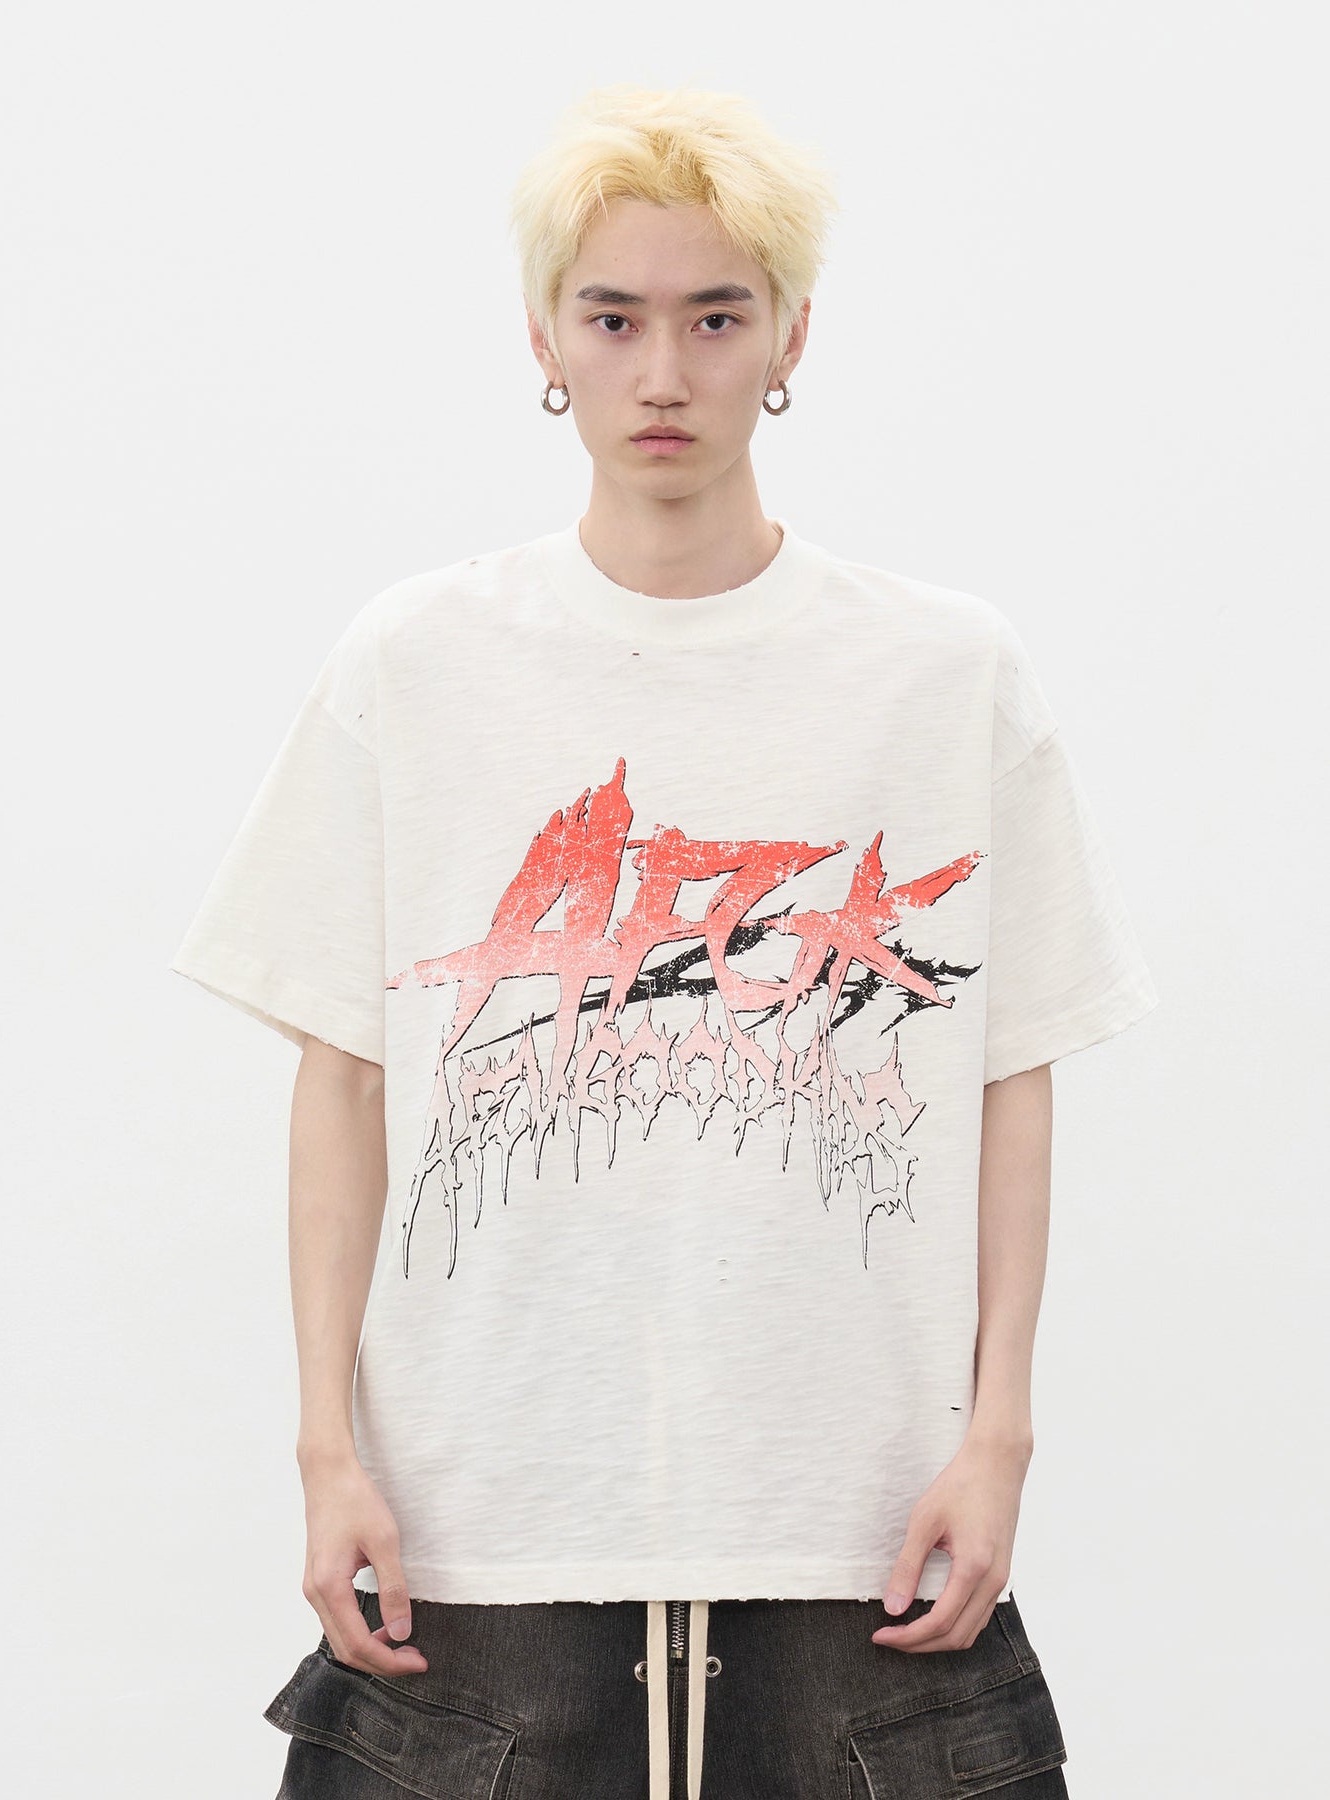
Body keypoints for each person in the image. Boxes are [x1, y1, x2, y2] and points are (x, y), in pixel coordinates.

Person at [171, 83, 1157, 1800]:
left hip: (854, 1525)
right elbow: (343, 1079)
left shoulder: (941, 674)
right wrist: (327, 1450)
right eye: (613, 317)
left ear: (789, 336)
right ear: (544, 336)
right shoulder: (417, 662)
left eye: (714, 317)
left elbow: (1009, 1076)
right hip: (481, 1528)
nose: (663, 374)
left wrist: (998, 1434)